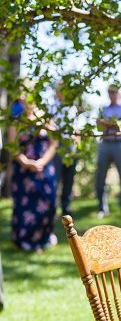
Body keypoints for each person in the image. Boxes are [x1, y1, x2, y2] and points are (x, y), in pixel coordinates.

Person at [10, 101, 59, 252]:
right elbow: (13, 146)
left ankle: (43, 238)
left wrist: (42, 162)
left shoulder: (45, 118)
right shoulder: (17, 119)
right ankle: (24, 241)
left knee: (47, 203)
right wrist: (25, 162)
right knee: (24, 205)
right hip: (23, 171)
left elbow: (54, 143)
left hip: (44, 169)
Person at [95, 84, 121, 218]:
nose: (112, 94)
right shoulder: (104, 109)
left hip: (120, 144)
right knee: (100, 177)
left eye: (114, 92)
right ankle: (102, 208)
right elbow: (99, 126)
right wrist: (113, 124)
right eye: (109, 92)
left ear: (118, 93)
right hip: (105, 144)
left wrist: (107, 124)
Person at [51, 81, 79, 218]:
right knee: (55, 177)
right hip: (57, 146)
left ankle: (66, 206)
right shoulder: (52, 107)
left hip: (71, 146)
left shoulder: (72, 108)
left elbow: (76, 127)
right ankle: (53, 207)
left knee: (69, 178)